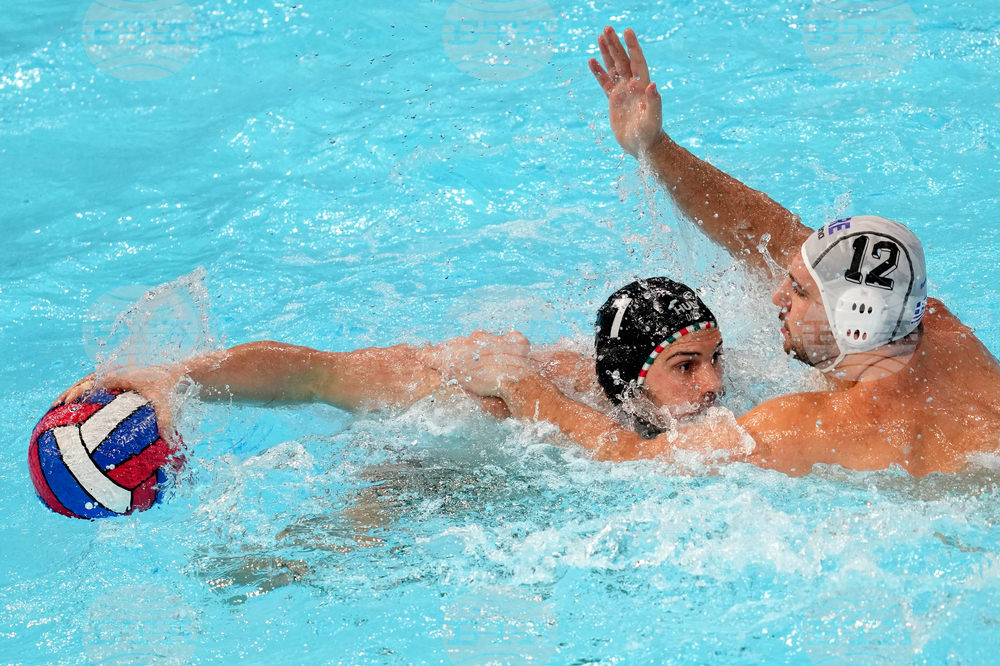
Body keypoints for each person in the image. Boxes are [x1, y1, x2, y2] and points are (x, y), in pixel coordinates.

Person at [434, 27, 1000, 476]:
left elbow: (627, 460)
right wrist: (656, 149)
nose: (778, 290)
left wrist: (524, 387)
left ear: (851, 321)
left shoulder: (802, 429)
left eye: (799, 291)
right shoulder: (936, 328)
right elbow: (766, 228)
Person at [51, 278, 729, 454]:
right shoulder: (504, 384)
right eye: (687, 366)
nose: (714, 384)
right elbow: (319, 374)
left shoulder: (730, 408)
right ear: (627, 378)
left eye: (715, 359)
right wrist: (184, 375)